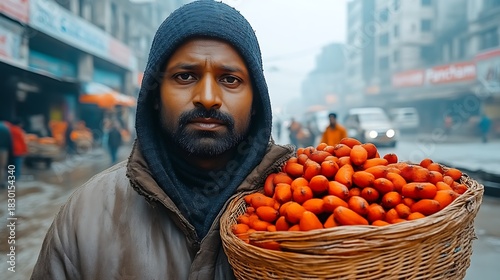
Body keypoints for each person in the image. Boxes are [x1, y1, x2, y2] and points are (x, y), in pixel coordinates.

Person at [30, 1, 295, 279]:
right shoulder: (85, 217)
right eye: (185, 76)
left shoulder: (312, 206)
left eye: (229, 79)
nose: (207, 97)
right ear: (154, 96)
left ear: (257, 101)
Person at [0, 121, 13, 189]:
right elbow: (9, 141)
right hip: (3, 150)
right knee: (2, 167)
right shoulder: (6, 129)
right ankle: (1, 183)